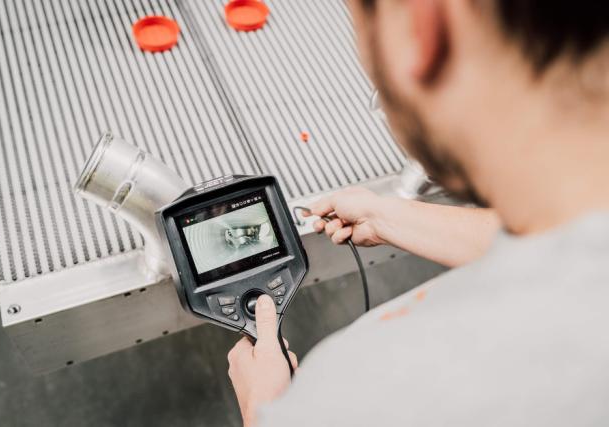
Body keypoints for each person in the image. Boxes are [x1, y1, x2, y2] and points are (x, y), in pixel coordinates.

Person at [227, 0, 609, 425]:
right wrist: (388, 217)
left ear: (422, 24)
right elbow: (558, 245)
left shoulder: (348, 397)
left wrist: (263, 408)